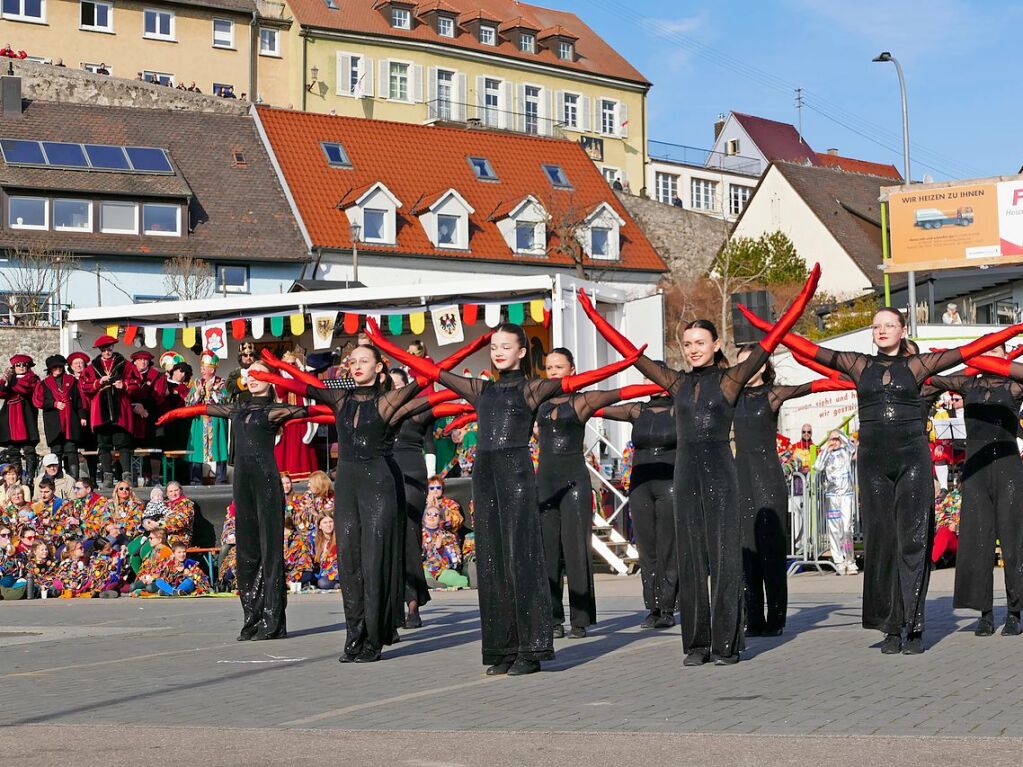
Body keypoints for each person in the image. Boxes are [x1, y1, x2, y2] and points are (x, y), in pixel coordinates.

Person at [740, 302, 1023, 654]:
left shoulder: (919, 367)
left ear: (902, 331)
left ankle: (915, 626)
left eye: (889, 324)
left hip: (913, 461)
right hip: (874, 463)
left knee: (914, 541)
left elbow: (969, 351)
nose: (882, 329)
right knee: (881, 543)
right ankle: (891, 626)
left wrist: (1014, 331)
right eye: (876, 326)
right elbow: (811, 351)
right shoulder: (859, 366)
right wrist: (770, 326)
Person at [367, 321, 643, 675]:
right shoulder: (481, 390)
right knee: (493, 560)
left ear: (522, 352)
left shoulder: (531, 390)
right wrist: (382, 344)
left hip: (516, 474)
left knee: (521, 558)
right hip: (484, 475)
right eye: (494, 346)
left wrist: (629, 360)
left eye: (506, 346)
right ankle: (501, 648)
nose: (498, 352)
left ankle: (530, 649)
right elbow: (432, 370)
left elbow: (581, 383)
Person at [579, 266, 820, 666]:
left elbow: (773, 340)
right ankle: (696, 643)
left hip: (722, 476)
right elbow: (633, 357)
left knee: (725, 558)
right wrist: (595, 317)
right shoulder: (676, 383)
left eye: (700, 342)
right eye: (687, 343)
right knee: (690, 560)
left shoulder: (730, 380)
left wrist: (804, 296)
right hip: (686, 474)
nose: (692, 349)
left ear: (715, 344)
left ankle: (727, 643)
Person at [252, 333, 496, 662]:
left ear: (379, 368)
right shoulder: (340, 400)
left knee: (374, 561)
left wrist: (476, 345)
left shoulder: (388, 402)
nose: (356, 365)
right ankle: (354, 635)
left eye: (364, 361)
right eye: (352, 361)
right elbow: (304, 385)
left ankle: (374, 638)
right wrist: (274, 368)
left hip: (379, 486)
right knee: (348, 562)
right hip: (348, 488)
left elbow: (434, 372)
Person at [157, 360, 308, 639]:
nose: (252, 379)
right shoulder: (237, 407)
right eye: (250, 375)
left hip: (266, 481)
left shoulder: (276, 410)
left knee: (270, 551)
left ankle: (273, 621)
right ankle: (251, 617)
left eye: (260, 375)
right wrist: (176, 413)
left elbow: (310, 409)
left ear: (271, 380)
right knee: (247, 550)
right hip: (242, 482)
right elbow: (204, 408)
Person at [536, 347, 664, 639]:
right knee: (547, 552)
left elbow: (618, 393)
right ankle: (552, 618)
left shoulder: (582, 400)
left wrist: (657, 383)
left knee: (575, 550)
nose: (553, 372)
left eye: (559, 367)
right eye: (549, 367)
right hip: (544, 481)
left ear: (572, 370)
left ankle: (579, 619)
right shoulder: (538, 402)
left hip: (574, 483)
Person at [734, 348, 852, 633]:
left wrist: (851, 379)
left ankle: (775, 619)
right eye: (739, 365)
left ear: (763, 367)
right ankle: (753, 619)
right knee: (746, 551)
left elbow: (812, 386)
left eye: (751, 363)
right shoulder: (731, 396)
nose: (745, 369)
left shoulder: (773, 394)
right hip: (741, 478)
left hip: (768, 478)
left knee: (770, 550)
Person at [924, 349, 1023, 636]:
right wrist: (970, 362)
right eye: (985, 351)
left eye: (995, 352)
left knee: (1013, 540)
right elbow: (936, 379)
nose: (988, 356)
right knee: (976, 542)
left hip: (1009, 471)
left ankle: (1015, 611)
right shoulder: (969, 385)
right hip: (975, 471)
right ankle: (985, 612)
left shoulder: (1014, 386)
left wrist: (1007, 365)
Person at [597, 383, 679, 628]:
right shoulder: (637, 410)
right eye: (648, 380)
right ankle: (652, 606)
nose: (653, 385)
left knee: (668, 545)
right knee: (646, 547)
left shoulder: (679, 410)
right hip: (641, 484)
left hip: (670, 483)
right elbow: (599, 407)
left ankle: (668, 606)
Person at [79, 335, 142, 488]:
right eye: (104, 349)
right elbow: (83, 386)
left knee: (124, 444)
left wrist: (125, 385)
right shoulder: (92, 367)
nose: (107, 352)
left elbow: (137, 382)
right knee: (104, 444)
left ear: (113, 348)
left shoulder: (125, 364)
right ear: (100, 350)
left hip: (120, 409)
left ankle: (126, 476)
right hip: (100, 411)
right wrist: (98, 382)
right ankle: (108, 476)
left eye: (109, 349)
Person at [33, 355, 84, 480]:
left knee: (71, 450)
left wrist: (82, 416)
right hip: (53, 422)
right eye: (54, 367)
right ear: (50, 369)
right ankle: (57, 479)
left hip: (71, 421)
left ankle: (73, 479)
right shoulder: (44, 384)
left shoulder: (72, 381)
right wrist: (54, 404)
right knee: (56, 451)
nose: (57, 369)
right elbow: (39, 401)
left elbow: (79, 401)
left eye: (59, 366)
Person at [814, 430, 858, 575]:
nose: (835, 441)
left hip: (846, 495)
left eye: (836, 439)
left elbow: (853, 449)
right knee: (834, 530)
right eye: (832, 438)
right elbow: (818, 467)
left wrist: (841, 436)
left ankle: (850, 561)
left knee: (847, 528)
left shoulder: (846, 451)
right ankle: (839, 561)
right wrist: (827, 448)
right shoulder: (825, 453)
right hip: (832, 496)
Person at [185, 351, 229, 485]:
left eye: (205, 368)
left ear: (212, 368)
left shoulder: (221, 383)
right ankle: (195, 479)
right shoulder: (196, 383)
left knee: (219, 448)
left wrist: (214, 391)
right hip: (199, 422)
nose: (202, 370)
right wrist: (197, 393)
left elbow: (225, 402)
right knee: (197, 450)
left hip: (216, 421)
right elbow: (188, 403)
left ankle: (221, 479)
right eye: (201, 368)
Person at [1, 354, 41, 484]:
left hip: (26, 416)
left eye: (24, 365)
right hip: (10, 417)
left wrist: (9, 383)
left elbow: (24, 388)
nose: (21, 367)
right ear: (14, 367)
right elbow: (1, 392)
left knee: (29, 449)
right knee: (13, 450)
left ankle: (30, 477)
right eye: (18, 365)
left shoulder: (32, 378)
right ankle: (16, 476)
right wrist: (4, 381)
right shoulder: (10, 380)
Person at [130, 350, 166, 484]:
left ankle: (155, 477)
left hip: (152, 415)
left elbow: (159, 396)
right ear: (134, 361)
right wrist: (135, 407)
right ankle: (136, 477)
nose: (143, 362)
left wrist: (143, 407)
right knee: (133, 447)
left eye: (145, 360)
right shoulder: (129, 375)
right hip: (133, 417)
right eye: (140, 359)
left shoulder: (157, 376)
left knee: (155, 446)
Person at [67, 351, 98, 482]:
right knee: (71, 449)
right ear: (71, 366)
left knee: (91, 448)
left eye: (81, 363)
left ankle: (92, 477)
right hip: (73, 418)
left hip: (90, 416)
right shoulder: (68, 381)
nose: (79, 365)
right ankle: (72, 478)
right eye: (76, 363)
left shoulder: (90, 379)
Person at [421, 506, 467, 588]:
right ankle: (430, 582)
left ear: (440, 519)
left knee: (457, 579)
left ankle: (440, 584)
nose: (432, 516)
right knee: (422, 574)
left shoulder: (449, 536)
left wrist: (441, 549)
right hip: (424, 568)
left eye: (436, 515)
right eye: (429, 514)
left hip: (443, 570)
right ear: (424, 517)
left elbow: (456, 562)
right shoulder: (417, 535)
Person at [73, 476, 109, 540]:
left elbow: (99, 526)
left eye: (78, 488)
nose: (75, 491)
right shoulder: (78, 502)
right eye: (74, 488)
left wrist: (79, 522)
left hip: (97, 539)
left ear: (88, 489)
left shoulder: (101, 502)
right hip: (80, 536)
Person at [931, 487, 960, 567]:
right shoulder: (953, 496)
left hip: (963, 538)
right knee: (943, 530)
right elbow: (941, 515)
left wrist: (957, 526)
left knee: (944, 532)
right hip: (950, 534)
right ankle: (932, 559)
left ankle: (932, 560)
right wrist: (948, 523)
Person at [162, 481, 195, 548]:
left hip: (179, 539)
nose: (173, 494)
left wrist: (158, 525)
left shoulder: (186, 504)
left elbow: (178, 523)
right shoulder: (164, 505)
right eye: (170, 491)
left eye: (176, 490)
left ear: (181, 491)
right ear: (167, 494)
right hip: (163, 536)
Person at [312, 514, 339, 590]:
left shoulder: (339, 539)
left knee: (322, 583)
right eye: (325, 522)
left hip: (337, 573)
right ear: (320, 526)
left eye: (331, 522)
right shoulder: (315, 541)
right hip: (323, 573)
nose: (328, 525)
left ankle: (338, 584)